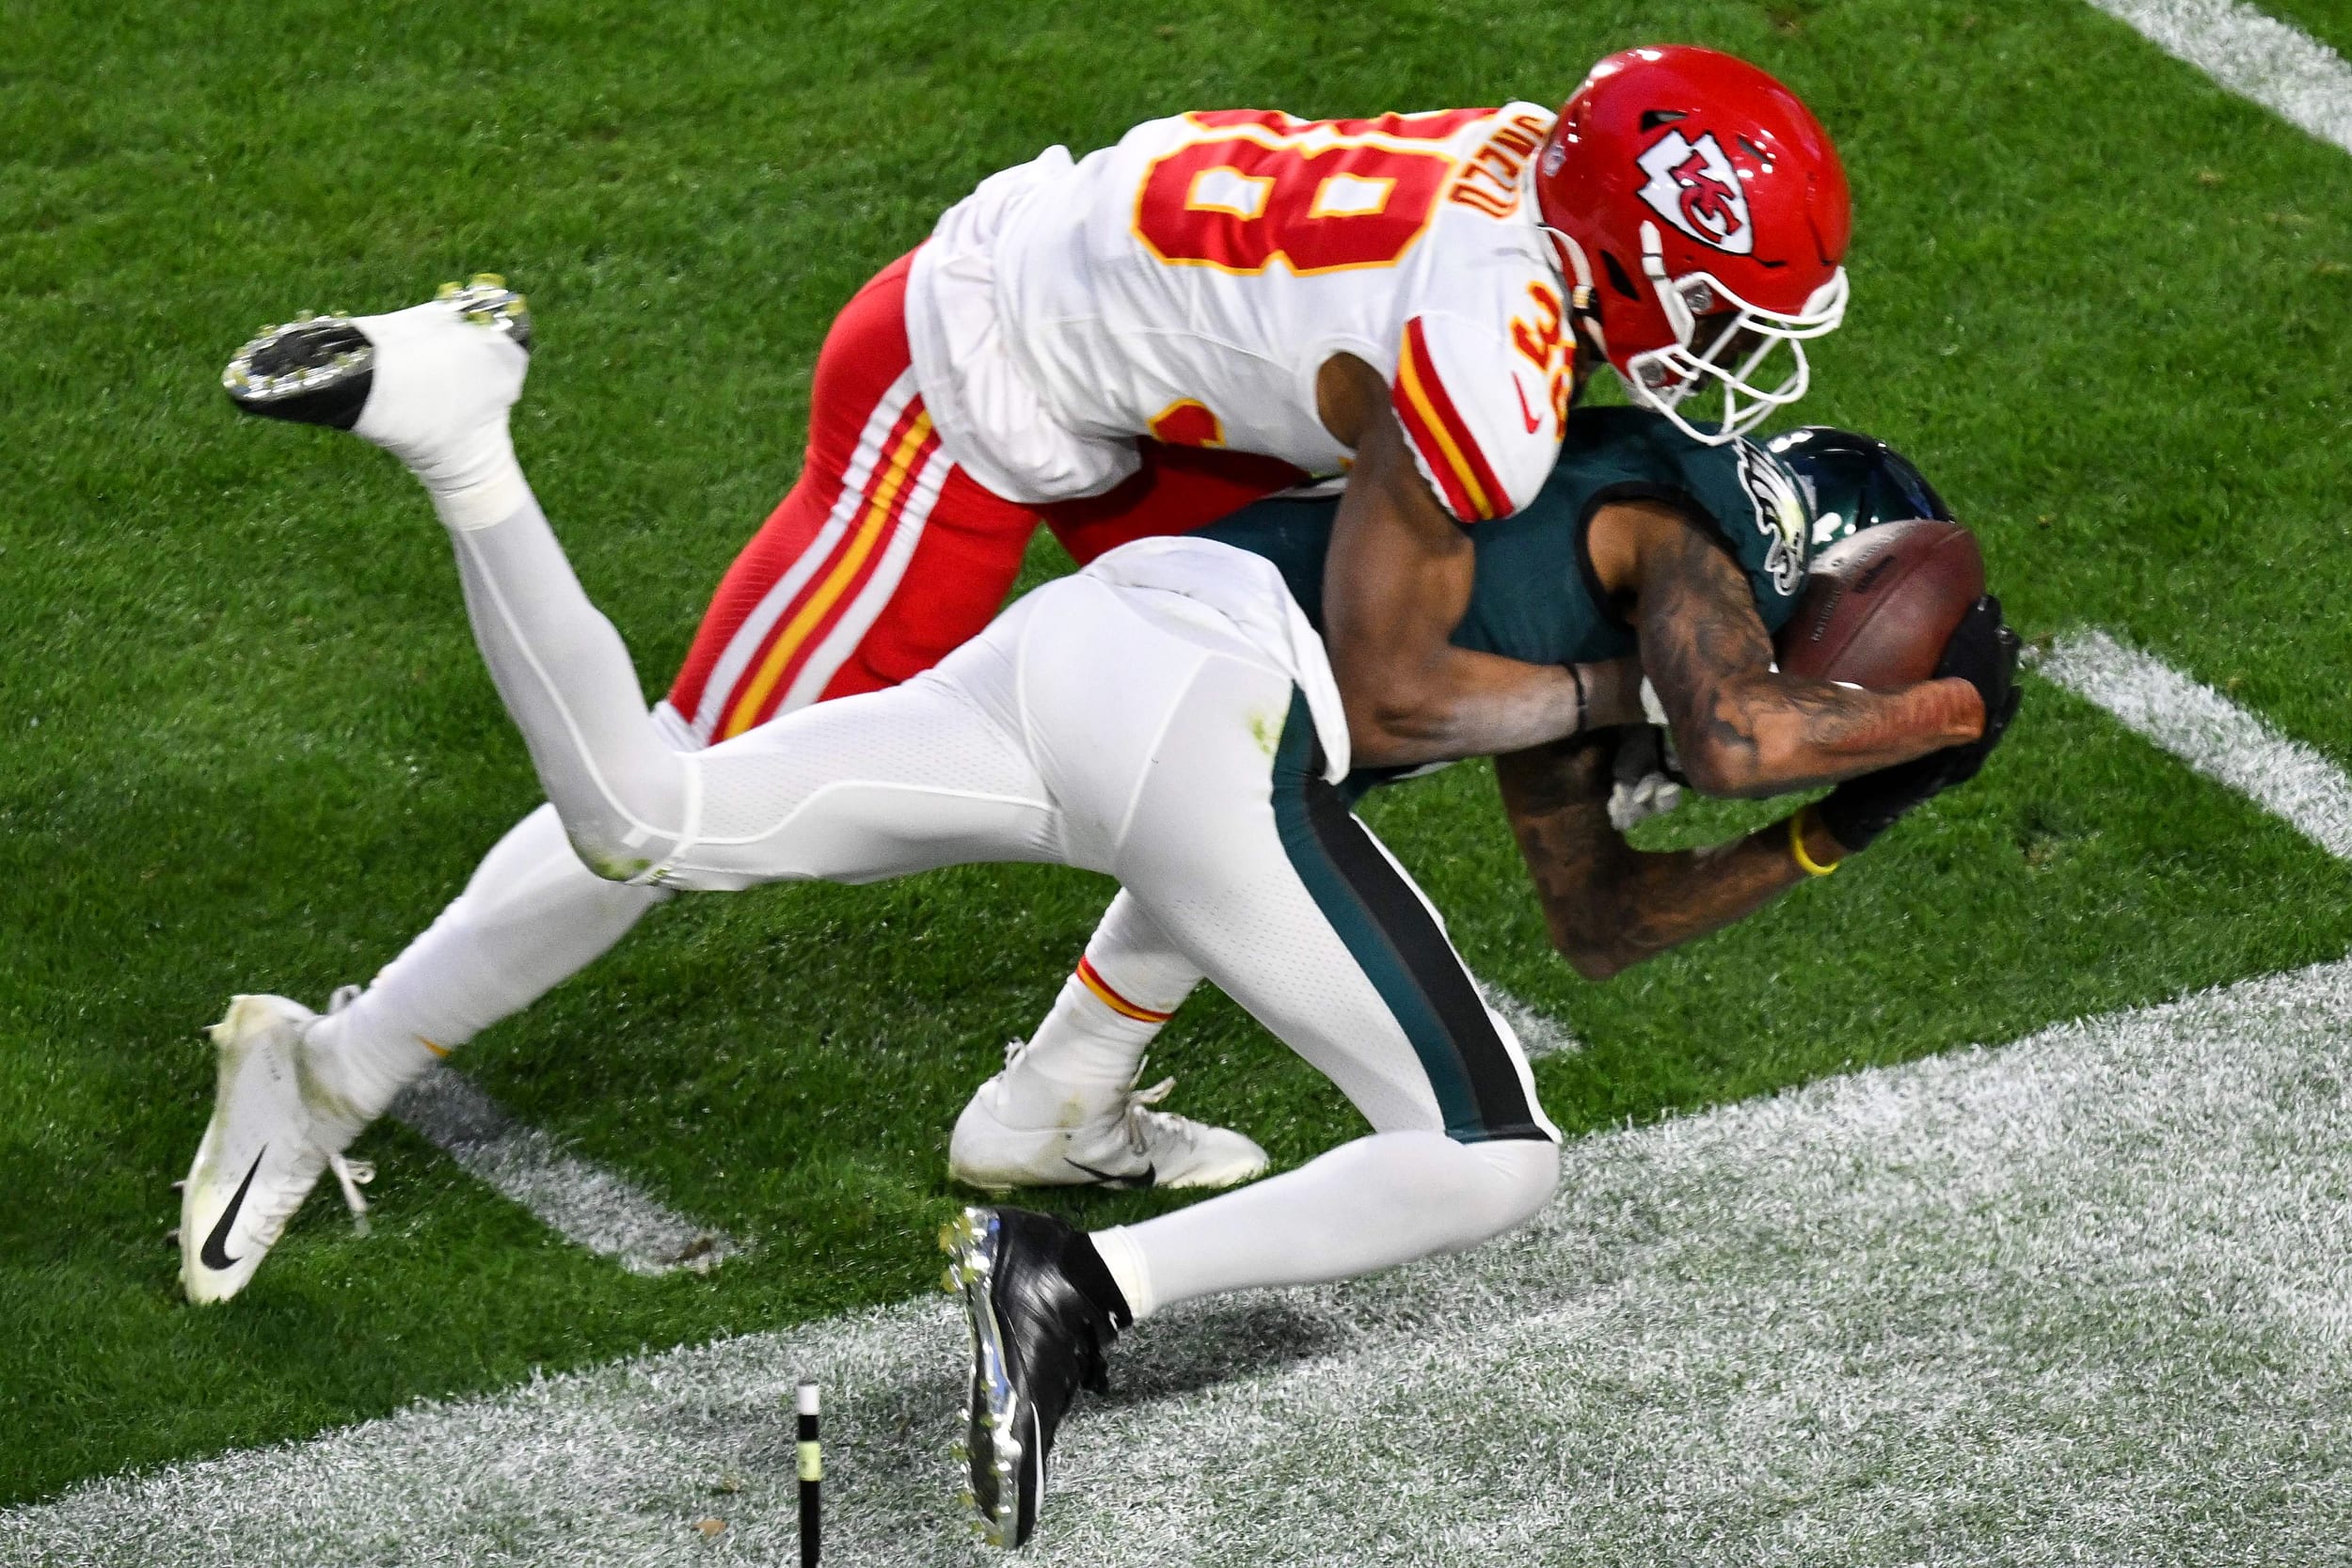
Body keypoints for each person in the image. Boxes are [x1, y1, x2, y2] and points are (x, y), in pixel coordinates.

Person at [191, 287, 2012, 1543]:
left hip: (1105, 650)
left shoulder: (1604, 567)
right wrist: (1933, 721)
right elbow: (1734, 729)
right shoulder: (1680, 526)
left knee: (641, 821)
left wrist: (1835, 833)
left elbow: (1599, 917)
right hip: (1210, 702)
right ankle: (1073, 1280)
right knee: (1487, 1159)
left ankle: (460, 449)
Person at [186, 46, 1854, 1297]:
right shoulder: (1492, 346)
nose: (1736, 345)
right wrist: (1635, 702)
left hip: (1148, 372)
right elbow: (1401, 667)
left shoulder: (1529, 178)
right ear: (1626, 249)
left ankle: (1063, 1095)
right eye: (1719, 301)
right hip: (979, 378)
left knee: (1282, 725)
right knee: (668, 796)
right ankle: (333, 1067)